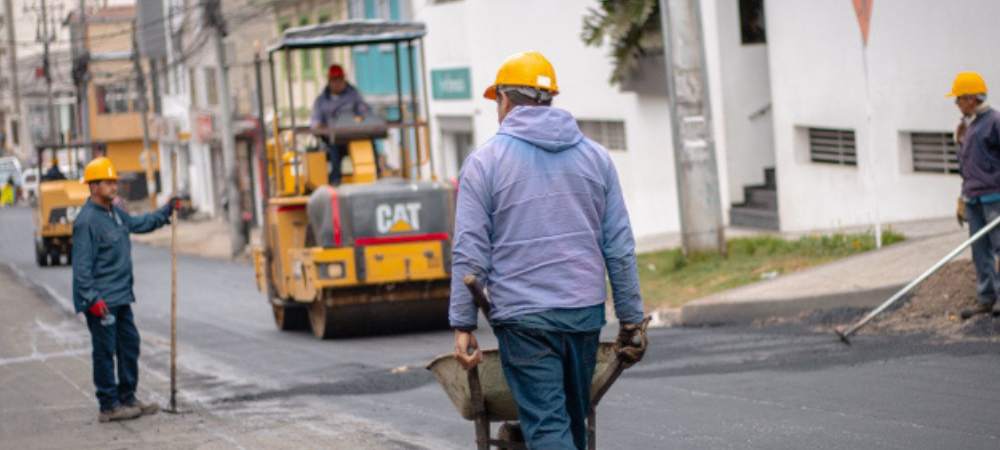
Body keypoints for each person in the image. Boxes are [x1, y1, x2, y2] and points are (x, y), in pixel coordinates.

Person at [449, 51, 648, 450]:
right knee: (572, 421)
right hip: (583, 314)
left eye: (497, 102)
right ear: (549, 101)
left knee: (547, 426)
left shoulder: (485, 162)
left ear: (505, 100)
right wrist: (631, 320)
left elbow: (470, 250)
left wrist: (463, 324)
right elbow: (620, 246)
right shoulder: (596, 158)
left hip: (525, 320)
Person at [72, 157, 178, 422]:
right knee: (105, 352)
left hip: (121, 296)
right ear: (93, 187)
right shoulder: (86, 221)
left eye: (114, 181)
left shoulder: (116, 213)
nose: (113, 186)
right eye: (107, 182)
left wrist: (167, 211)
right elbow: (82, 267)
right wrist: (91, 298)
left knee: (129, 345)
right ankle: (109, 405)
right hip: (101, 301)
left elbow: (141, 224)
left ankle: (127, 397)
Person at [950, 72, 1000, 320]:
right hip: (973, 198)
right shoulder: (966, 126)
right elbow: (967, 165)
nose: (956, 103)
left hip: (994, 197)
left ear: (971, 98)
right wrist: (964, 195)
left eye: (959, 98)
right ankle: (986, 298)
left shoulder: (994, 122)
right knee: (980, 251)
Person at [310, 64, 375, 185]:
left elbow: (364, 112)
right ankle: (335, 179)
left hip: (354, 136)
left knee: (369, 145)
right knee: (334, 149)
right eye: (334, 80)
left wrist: (360, 121)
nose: (337, 83)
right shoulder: (321, 101)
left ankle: (376, 174)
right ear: (329, 81)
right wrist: (321, 127)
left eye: (340, 80)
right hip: (333, 139)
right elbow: (315, 122)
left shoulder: (353, 96)